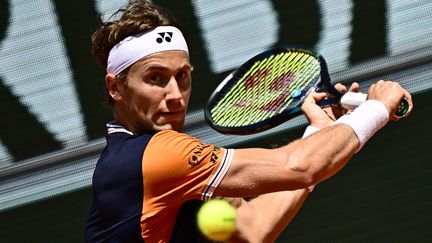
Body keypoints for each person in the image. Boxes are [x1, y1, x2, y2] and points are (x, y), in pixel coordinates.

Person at [84, 0, 413, 242]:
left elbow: (253, 229)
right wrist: (376, 108)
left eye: (182, 76)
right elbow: (301, 167)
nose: (175, 95)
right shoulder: (157, 157)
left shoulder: (179, 166)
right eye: (155, 78)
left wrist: (321, 130)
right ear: (116, 87)